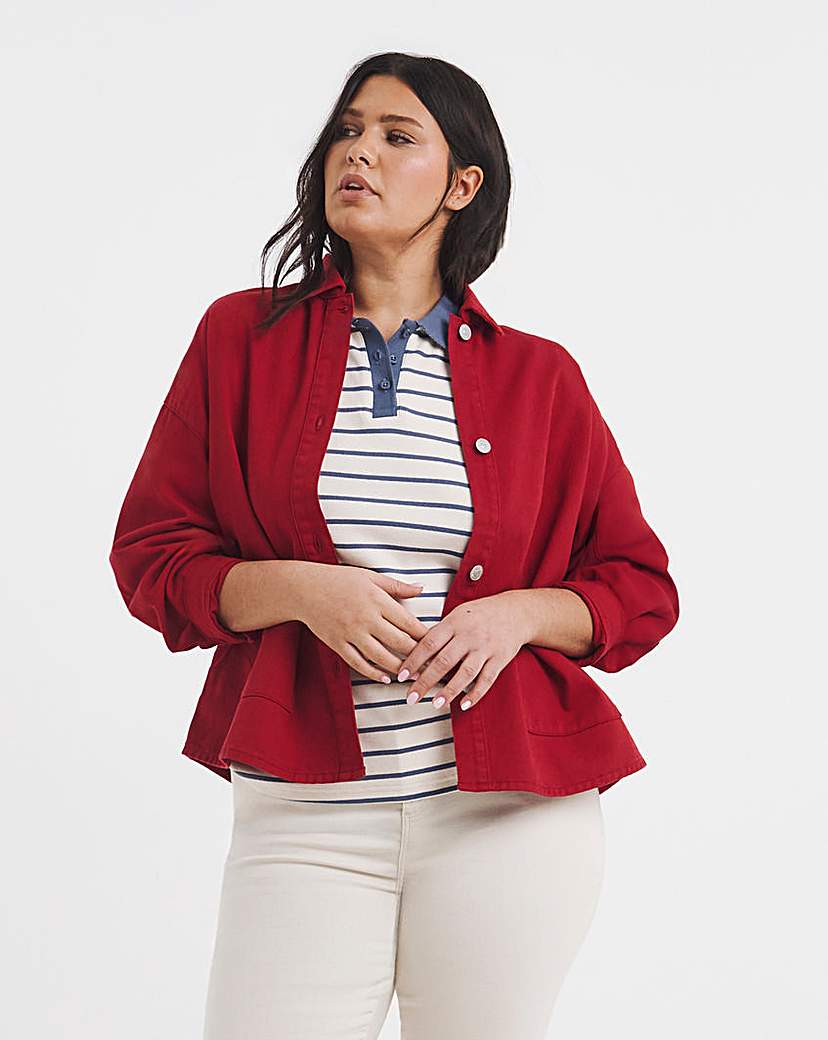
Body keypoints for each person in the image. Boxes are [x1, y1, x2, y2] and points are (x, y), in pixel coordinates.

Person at [109, 52, 679, 1039]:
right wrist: (299, 590)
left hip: (510, 819)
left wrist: (516, 615)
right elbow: (154, 556)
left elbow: (639, 585)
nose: (358, 152)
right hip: (306, 810)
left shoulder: (540, 378)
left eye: (396, 136)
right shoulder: (241, 339)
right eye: (347, 130)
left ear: (463, 185)